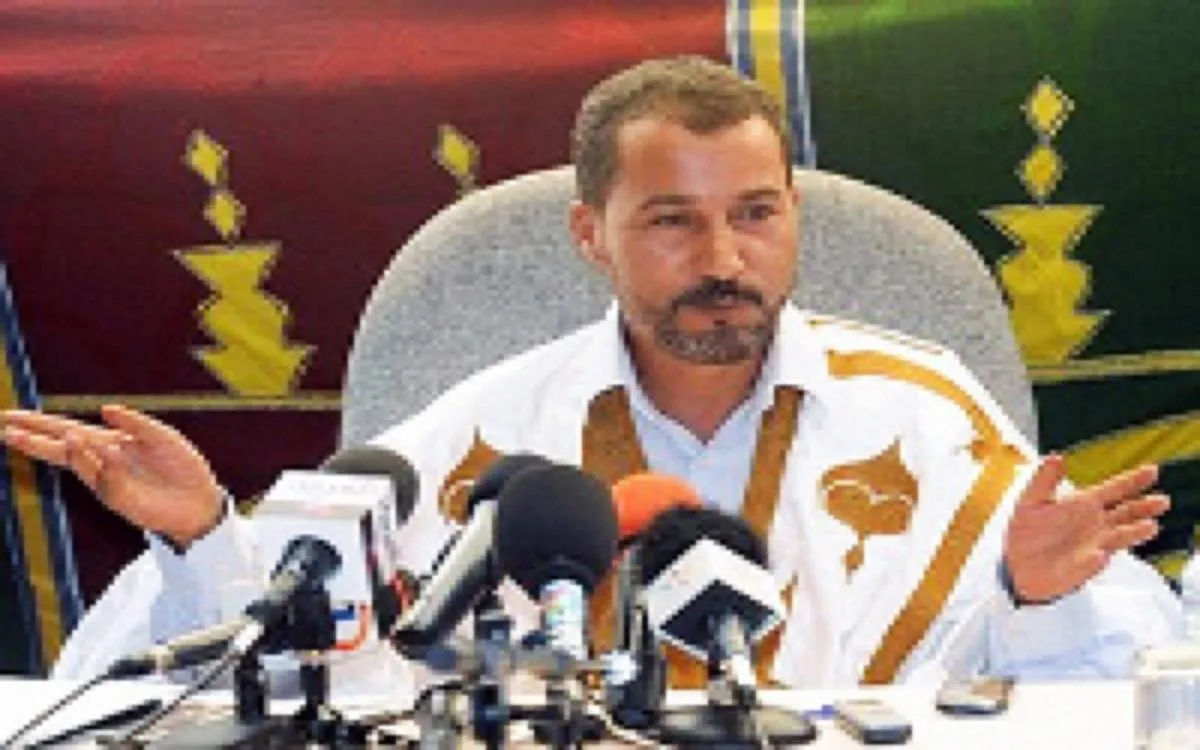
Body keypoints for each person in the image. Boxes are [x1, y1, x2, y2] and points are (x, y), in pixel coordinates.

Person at [2, 56, 1180, 698]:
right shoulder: (488, 427)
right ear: (590, 236)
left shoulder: (921, 407)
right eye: (672, 221)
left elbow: (1088, 684)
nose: (724, 260)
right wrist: (205, 533)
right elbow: (308, 649)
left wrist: (1035, 596)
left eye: (756, 214)